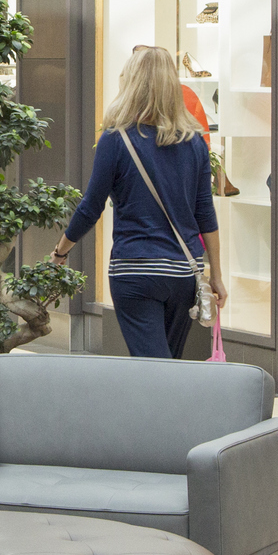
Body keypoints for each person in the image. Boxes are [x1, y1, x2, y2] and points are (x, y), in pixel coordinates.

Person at [51, 45, 220, 359]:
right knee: (166, 363)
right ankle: (170, 409)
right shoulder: (194, 142)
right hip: (183, 272)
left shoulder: (116, 140)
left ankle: (165, 409)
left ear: (131, 83)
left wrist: (61, 251)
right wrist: (217, 276)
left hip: (135, 268)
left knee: (153, 369)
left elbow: (91, 206)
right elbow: (205, 214)